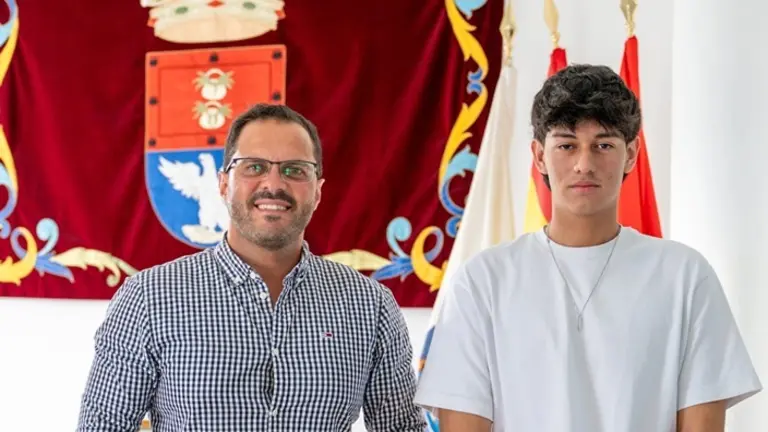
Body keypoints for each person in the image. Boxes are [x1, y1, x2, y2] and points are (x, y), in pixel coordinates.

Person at [413, 64, 762, 431]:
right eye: (566, 145)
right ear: (539, 156)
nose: (584, 164)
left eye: (603, 145)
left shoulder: (685, 277)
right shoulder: (483, 282)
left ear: (630, 153)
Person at [76, 103, 426, 431]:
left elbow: (402, 428)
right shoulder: (148, 299)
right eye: (254, 167)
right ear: (224, 183)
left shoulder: (371, 306)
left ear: (317, 192)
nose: (274, 185)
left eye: (294, 170)